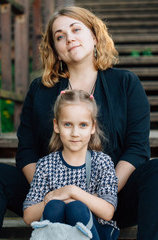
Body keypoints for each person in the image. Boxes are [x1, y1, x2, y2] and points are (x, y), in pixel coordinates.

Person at [0, 6, 158, 240]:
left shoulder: (126, 83)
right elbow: (27, 151)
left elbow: (137, 149)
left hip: (112, 200)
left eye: (76, 29)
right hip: (53, 200)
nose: (69, 38)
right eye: (60, 36)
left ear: (94, 36)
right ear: (55, 49)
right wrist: (51, 193)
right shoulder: (40, 90)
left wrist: (97, 196)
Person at [23, 89, 119, 240]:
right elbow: (28, 216)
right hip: (58, 232)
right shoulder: (46, 165)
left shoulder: (102, 162)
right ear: (56, 125)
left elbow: (107, 211)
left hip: (94, 233)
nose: (75, 133)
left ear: (92, 127)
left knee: (76, 208)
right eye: (68, 124)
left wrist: (72, 192)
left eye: (82, 125)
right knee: (54, 207)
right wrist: (53, 198)